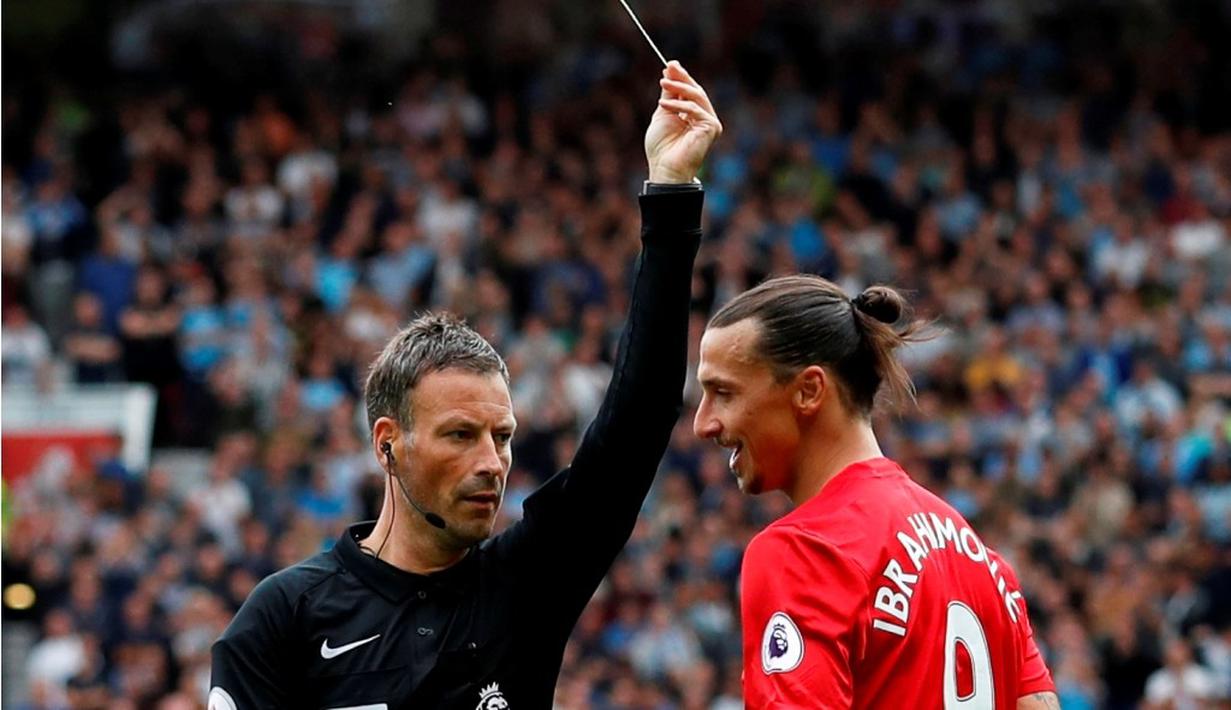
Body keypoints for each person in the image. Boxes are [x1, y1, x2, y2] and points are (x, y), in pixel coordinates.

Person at [208, 60, 721, 709]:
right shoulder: (282, 617)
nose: (492, 463)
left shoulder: (526, 584)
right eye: (460, 435)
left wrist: (671, 190)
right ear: (388, 443)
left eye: (501, 437)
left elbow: (640, 418)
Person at [692, 275, 1059, 709]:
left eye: (723, 393)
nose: (703, 423)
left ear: (809, 391)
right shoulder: (981, 559)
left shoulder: (804, 551)